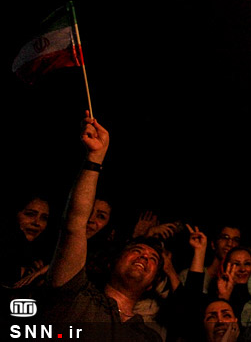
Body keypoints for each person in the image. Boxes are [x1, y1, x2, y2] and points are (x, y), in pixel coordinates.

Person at [41, 111, 164, 342]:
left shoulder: (149, 337)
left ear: (151, 285)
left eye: (153, 259)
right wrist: (95, 159)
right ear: (111, 261)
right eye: (136, 251)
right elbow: (75, 225)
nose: (144, 257)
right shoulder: (75, 294)